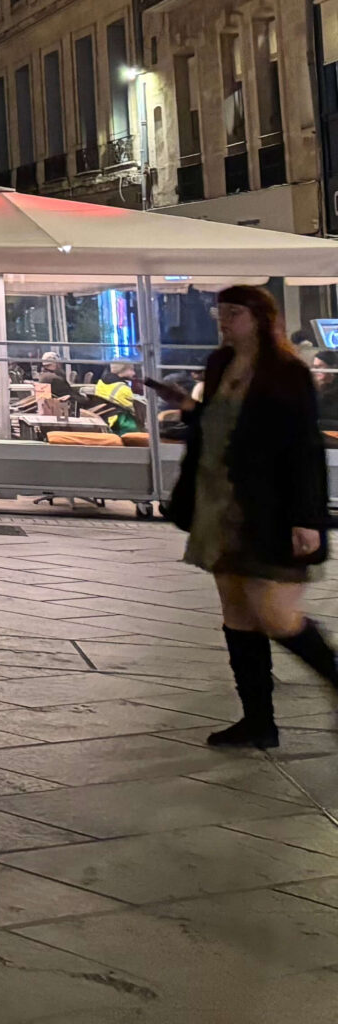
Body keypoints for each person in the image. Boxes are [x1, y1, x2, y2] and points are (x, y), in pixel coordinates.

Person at [160, 283, 337, 749]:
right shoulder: (220, 364)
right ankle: (258, 721)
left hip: (269, 509)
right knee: (237, 612)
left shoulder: (285, 372)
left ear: (260, 317)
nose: (224, 321)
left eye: (234, 313)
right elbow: (223, 425)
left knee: (277, 615)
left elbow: (303, 446)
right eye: (221, 313)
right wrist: (190, 409)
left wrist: (307, 518)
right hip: (219, 504)